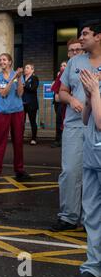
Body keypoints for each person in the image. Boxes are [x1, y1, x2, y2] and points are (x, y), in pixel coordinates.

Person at [51, 21, 101, 233]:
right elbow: (62, 91)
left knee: (94, 175)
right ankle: (69, 217)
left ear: (98, 36)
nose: (81, 38)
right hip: (74, 125)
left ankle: (92, 221)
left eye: (85, 34)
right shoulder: (74, 62)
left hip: (98, 127)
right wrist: (71, 100)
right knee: (71, 171)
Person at [0, 53, 30, 182]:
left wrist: (19, 78)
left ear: (10, 62)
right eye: (0, 60)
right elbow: (3, 93)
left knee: (18, 142)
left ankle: (19, 170)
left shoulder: (18, 76)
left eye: (4, 59)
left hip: (17, 112)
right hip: (2, 113)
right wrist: (14, 77)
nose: (1, 62)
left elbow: (20, 93)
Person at [79, 65, 101, 277]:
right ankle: (93, 265)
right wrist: (87, 98)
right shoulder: (96, 84)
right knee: (92, 214)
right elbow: (86, 119)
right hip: (92, 157)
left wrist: (94, 92)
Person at [51, 38, 84, 148]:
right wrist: (72, 99)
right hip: (72, 119)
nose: (75, 52)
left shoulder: (91, 67)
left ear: (83, 50)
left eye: (78, 49)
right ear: (68, 53)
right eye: (71, 50)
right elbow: (56, 97)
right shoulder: (64, 72)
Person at [21, 64, 40, 145]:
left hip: (31, 103)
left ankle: (33, 138)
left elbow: (33, 89)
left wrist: (24, 85)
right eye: (25, 68)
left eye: (27, 68)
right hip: (22, 103)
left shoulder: (35, 78)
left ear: (32, 70)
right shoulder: (21, 78)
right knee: (21, 122)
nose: (25, 69)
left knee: (32, 121)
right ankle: (20, 138)